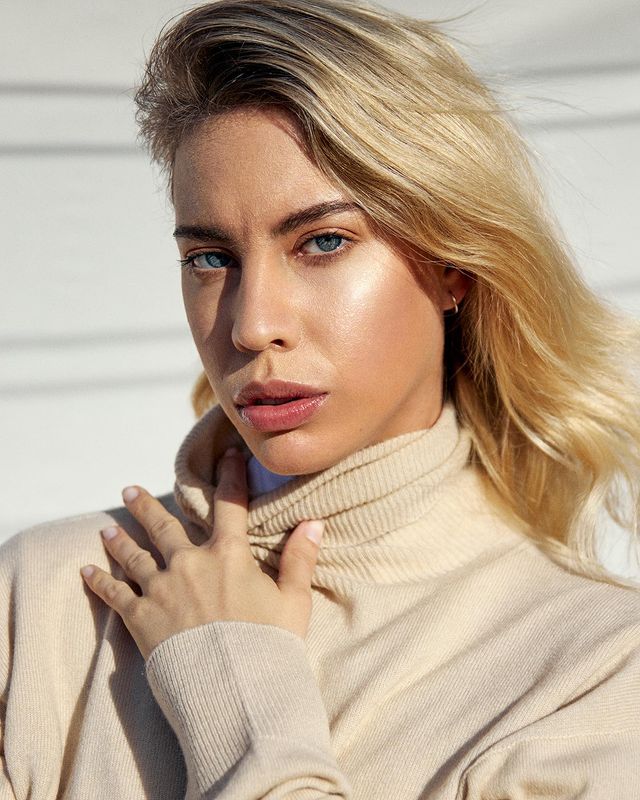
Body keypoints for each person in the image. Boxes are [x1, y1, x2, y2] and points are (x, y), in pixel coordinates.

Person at [2, 0, 640, 797]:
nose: (251, 325)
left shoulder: (597, 675)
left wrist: (229, 681)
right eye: (210, 257)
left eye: (323, 242)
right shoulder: (48, 598)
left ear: (454, 267)